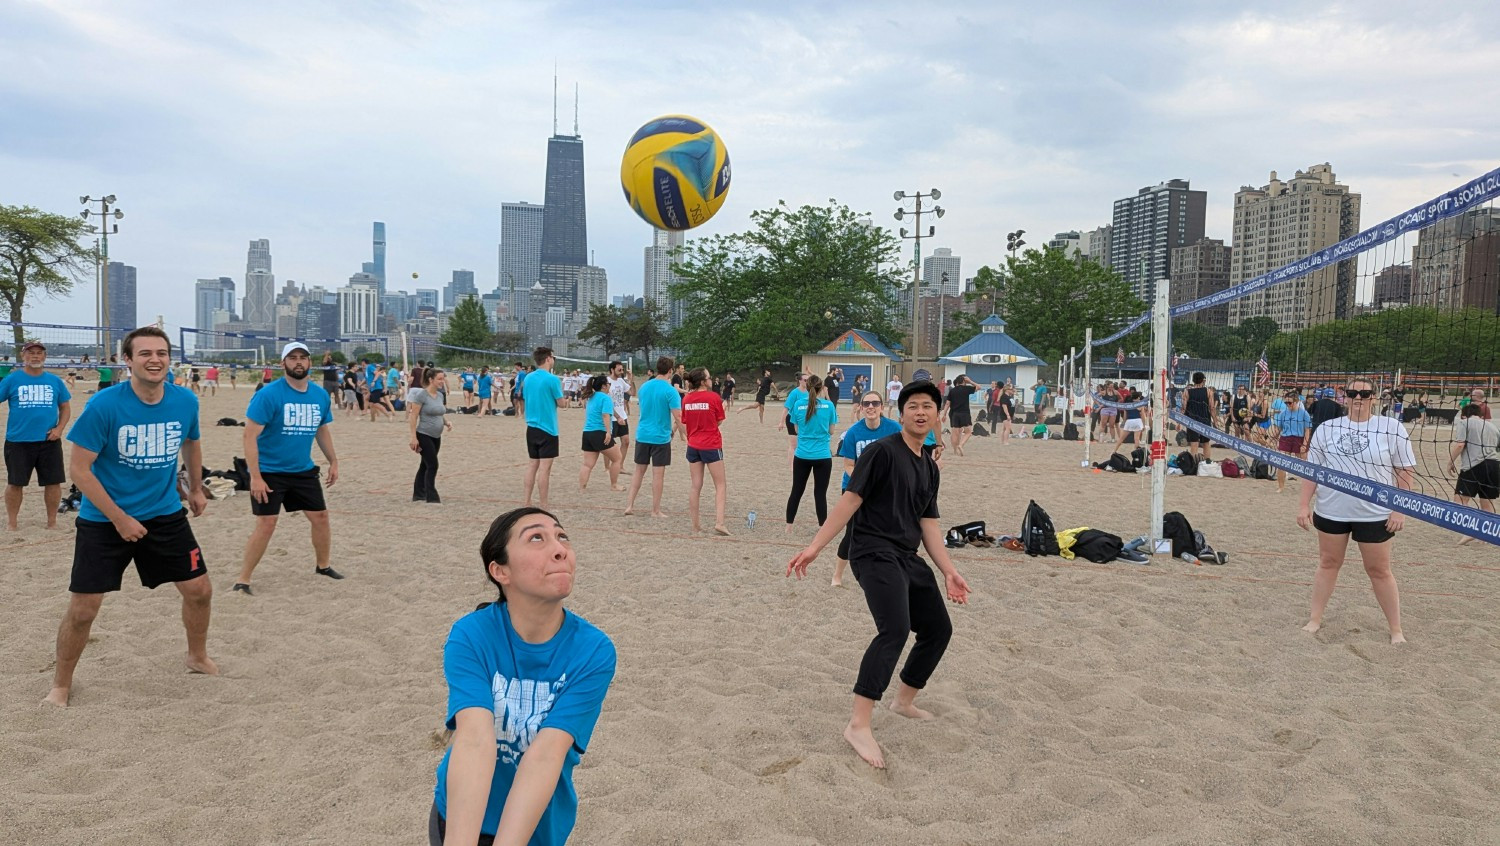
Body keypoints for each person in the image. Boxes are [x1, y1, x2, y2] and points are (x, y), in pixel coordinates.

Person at [786, 380, 969, 769]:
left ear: (938, 415)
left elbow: (929, 524)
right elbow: (850, 499)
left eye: (928, 407)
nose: (921, 412)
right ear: (900, 413)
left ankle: (903, 701)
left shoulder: (929, 467)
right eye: (913, 406)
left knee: (938, 628)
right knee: (895, 629)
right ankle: (858, 724)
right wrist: (815, 547)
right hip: (871, 551)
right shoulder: (882, 453)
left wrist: (950, 571)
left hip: (906, 554)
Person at [46, 326, 217, 707]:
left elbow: (191, 441)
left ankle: (196, 656)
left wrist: (194, 487)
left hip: (164, 514)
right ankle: (61, 684)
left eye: (161, 353)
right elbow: (80, 471)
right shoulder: (105, 406)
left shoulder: (185, 401)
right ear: (128, 360)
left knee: (199, 591)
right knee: (83, 610)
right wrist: (120, 518)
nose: (154, 359)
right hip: (105, 520)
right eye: (145, 354)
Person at [429, 507, 616, 846]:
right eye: (536, 538)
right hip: (463, 816)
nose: (560, 549)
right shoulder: (471, 635)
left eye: (562, 537)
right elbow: (473, 741)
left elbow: (546, 755)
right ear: (501, 571)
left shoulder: (593, 650)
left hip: (535, 827)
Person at [1297, 377, 1415, 645]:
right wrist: (1304, 505)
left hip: (1374, 512)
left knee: (1379, 570)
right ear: (1344, 397)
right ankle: (1315, 619)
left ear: (1374, 397)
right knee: (1328, 563)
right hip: (1331, 509)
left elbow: (1405, 471)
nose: (1358, 398)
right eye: (1352, 393)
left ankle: (1396, 629)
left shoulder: (1390, 428)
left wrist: (1399, 508)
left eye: (1364, 393)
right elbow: (1313, 471)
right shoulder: (1327, 428)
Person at [233, 343, 342, 594]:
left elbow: (321, 429)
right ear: (283, 364)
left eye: (303, 357)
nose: (298, 362)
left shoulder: (319, 395)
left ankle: (323, 566)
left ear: (310, 363)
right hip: (269, 470)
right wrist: (255, 477)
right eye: (292, 358)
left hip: (302, 470)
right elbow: (249, 436)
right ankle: (243, 579)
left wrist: (333, 461)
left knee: (321, 517)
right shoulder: (268, 394)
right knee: (267, 523)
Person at [831, 391, 902, 587]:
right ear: (861, 407)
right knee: (851, 531)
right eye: (866, 403)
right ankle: (837, 575)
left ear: (882, 406)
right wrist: (866, 482)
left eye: (875, 403)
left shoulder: (894, 429)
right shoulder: (854, 432)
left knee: (887, 530)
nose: (870, 407)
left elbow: (902, 458)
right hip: (854, 488)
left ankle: (886, 571)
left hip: (884, 489)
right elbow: (848, 465)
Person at [2, 341, 73, 530]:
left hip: (48, 440)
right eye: (31, 353)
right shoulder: (12, 380)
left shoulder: (54, 381)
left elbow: (65, 407)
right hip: (18, 441)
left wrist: (59, 429)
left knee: (53, 482)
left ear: (44, 356)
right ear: (23, 356)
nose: (35, 356)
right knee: (15, 483)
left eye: (39, 353)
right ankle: (12, 523)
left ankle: (51, 522)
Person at [624, 356, 684, 518]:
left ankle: (629, 505)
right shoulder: (670, 391)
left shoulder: (645, 387)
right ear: (670, 371)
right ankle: (655, 510)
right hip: (660, 437)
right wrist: (686, 434)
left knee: (639, 471)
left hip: (643, 434)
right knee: (658, 475)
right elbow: (678, 417)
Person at [785, 374, 838, 533]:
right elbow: (832, 431)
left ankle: (789, 527)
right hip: (822, 456)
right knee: (820, 493)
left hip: (802, 455)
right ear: (821, 388)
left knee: (796, 491)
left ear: (806, 387)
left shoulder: (798, 405)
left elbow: (795, 429)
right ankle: (822, 527)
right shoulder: (829, 406)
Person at [681, 367, 729, 535]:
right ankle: (720, 523)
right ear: (703, 381)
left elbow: (686, 421)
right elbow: (719, 421)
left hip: (693, 445)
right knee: (721, 484)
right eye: (708, 377)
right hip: (711, 444)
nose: (711, 379)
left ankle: (695, 526)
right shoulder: (713, 397)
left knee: (696, 485)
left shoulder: (687, 399)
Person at [522, 348, 566, 508]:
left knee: (532, 465)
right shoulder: (552, 379)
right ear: (548, 359)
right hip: (548, 428)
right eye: (553, 357)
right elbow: (561, 403)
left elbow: (527, 398)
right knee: (544, 469)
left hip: (531, 427)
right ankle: (543, 503)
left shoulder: (528, 378)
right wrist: (565, 400)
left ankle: (526, 501)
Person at [409, 368, 453, 504]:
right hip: (423, 434)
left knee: (425, 465)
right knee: (433, 464)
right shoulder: (421, 395)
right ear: (431, 380)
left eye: (443, 378)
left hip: (436, 436)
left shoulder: (439, 395)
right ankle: (431, 496)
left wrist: (446, 422)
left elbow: (439, 412)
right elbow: (413, 415)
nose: (442, 381)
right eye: (439, 379)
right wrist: (413, 437)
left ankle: (418, 494)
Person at [1449, 403, 1499, 524]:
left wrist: (1450, 463)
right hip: (1494, 466)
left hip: (1474, 466)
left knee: (1460, 501)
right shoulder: (1492, 427)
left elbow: (1460, 444)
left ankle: (1468, 530)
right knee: (1487, 503)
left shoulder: (1464, 423)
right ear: (1480, 415)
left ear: (1463, 415)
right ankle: (1486, 535)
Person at [578, 374, 625, 492]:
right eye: (608, 384)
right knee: (617, 458)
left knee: (587, 464)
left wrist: (618, 418)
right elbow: (605, 416)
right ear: (604, 386)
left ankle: (582, 487)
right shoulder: (605, 398)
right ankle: (614, 485)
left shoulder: (592, 397)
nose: (609, 386)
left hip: (587, 433)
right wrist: (608, 432)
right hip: (599, 433)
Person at [1273, 392, 1312, 493]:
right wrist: (1272, 437)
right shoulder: (1283, 413)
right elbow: (1279, 428)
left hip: (1299, 439)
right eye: (1286, 403)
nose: (1287, 404)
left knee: (1305, 465)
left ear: (1296, 401)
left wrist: (1304, 444)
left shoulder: (1304, 413)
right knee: (1281, 463)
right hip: (1286, 438)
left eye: (1289, 403)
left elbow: (1307, 430)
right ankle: (1281, 487)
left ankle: (1309, 488)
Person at [1183, 372, 1217, 462]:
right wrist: (1215, 421)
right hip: (1205, 420)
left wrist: (1179, 422)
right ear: (1203, 380)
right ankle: (1207, 462)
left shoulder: (1187, 392)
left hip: (1191, 420)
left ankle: (1193, 464)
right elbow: (1212, 408)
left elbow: (1183, 408)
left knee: (1194, 443)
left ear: (1193, 380)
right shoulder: (1208, 391)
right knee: (1206, 443)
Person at [778, 373, 809, 466]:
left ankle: (802, 462)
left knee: (803, 443)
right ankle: (792, 466)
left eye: (808, 380)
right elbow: (786, 408)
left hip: (804, 421)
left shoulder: (810, 392)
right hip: (792, 420)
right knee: (793, 445)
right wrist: (781, 422)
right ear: (800, 381)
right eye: (805, 380)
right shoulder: (795, 393)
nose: (807, 382)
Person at [942, 375, 976, 456]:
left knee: (955, 433)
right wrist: (970, 381)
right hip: (964, 413)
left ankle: (955, 450)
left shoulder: (952, 391)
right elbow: (978, 387)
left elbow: (947, 403)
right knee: (968, 432)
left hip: (954, 413)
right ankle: (961, 445)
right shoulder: (966, 389)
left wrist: (944, 414)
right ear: (964, 381)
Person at [607, 360, 633, 459]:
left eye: (622, 369)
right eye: (619, 369)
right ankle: (607, 467)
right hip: (611, 417)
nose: (622, 371)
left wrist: (631, 379)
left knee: (626, 441)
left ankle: (620, 465)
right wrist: (616, 416)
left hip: (622, 415)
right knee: (609, 443)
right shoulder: (606, 381)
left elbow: (631, 392)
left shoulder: (621, 381)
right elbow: (606, 402)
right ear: (612, 369)